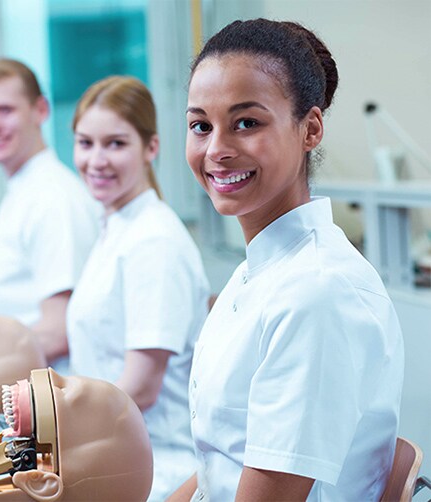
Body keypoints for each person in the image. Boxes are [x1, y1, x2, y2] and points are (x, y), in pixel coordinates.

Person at [167, 19, 404, 501]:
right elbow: (219, 463)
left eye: (246, 123)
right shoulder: (257, 272)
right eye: (200, 126)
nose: (216, 149)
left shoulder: (317, 292)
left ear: (310, 128)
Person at [64, 76, 209, 501]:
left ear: (151, 148)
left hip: (152, 469)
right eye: (85, 143)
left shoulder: (154, 241)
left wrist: (51, 429)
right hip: (109, 455)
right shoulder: (117, 228)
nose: (96, 160)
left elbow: (141, 386)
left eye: (115, 143)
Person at [0, 58, 100, 371]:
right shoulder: (24, 190)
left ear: (40, 110)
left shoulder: (52, 198)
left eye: (4, 110)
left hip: (43, 402)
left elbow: (58, 332)